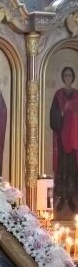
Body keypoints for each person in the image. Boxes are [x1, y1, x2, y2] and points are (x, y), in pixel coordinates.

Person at [50, 66, 78, 213]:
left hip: (74, 138)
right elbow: (53, 115)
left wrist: (72, 113)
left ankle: (72, 197)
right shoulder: (59, 95)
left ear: (73, 77)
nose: (68, 78)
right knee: (62, 167)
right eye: (65, 75)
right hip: (61, 137)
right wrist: (61, 113)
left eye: (70, 75)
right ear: (63, 77)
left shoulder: (77, 95)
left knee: (72, 167)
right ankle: (61, 196)